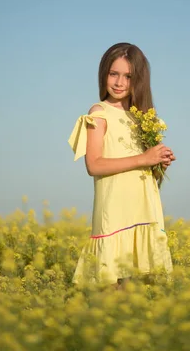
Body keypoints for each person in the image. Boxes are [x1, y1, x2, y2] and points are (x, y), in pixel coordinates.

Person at [68, 42, 176, 288]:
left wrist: (158, 164)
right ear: (103, 73)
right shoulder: (99, 113)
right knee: (113, 293)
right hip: (115, 214)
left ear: (138, 80)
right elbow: (93, 165)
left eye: (128, 76)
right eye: (113, 74)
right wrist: (144, 159)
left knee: (136, 299)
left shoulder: (142, 119)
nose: (119, 82)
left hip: (142, 212)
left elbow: (144, 176)